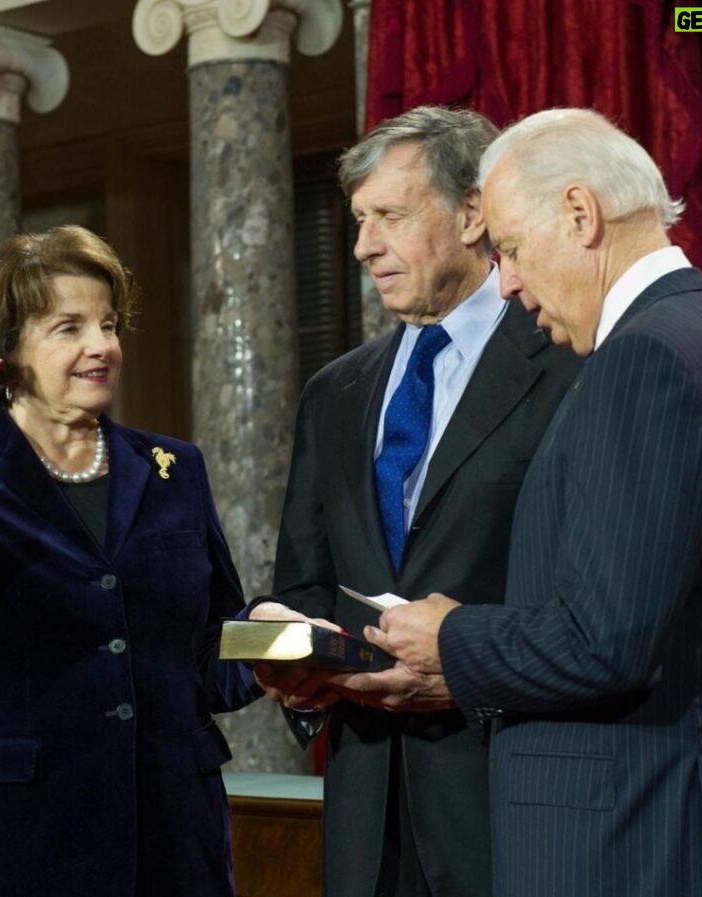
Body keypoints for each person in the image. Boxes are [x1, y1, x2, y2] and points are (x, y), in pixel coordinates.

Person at [352, 108, 702, 897]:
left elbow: (606, 641)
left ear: (580, 214)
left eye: (514, 250)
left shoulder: (647, 361)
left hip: (633, 841)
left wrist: (450, 636)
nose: (511, 283)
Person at [0, 225, 262, 897]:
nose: (102, 345)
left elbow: (207, 660)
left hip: (172, 843)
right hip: (16, 844)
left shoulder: (174, 470)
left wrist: (269, 635)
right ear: (6, 352)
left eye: (109, 323)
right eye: (69, 327)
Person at [249, 106, 581, 897]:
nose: (363, 245)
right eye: (360, 220)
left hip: (511, 803)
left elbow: (590, 603)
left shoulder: (570, 362)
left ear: (473, 215)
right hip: (368, 824)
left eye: (389, 216)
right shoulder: (335, 393)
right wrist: (283, 642)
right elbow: (303, 581)